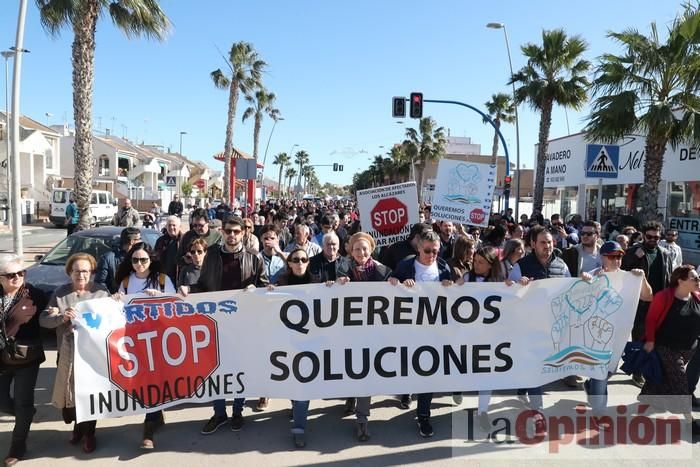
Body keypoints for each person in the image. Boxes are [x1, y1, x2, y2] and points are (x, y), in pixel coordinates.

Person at [179, 216, 268, 434]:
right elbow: (203, 286)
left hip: (244, 324)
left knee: (240, 369)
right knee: (215, 369)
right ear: (223, 231)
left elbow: (265, 287)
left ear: (243, 233)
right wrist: (189, 290)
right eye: (228, 231)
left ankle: (237, 411)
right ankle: (219, 413)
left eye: (237, 231)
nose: (232, 235)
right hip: (216, 323)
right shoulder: (212, 256)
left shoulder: (254, 258)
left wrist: (255, 289)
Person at [40, 253, 108, 455]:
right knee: (69, 398)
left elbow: (112, 320)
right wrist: (61, 318)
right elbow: (44, 320)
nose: (81, 275)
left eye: (85, 271)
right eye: (76, 271)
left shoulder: (101, 293)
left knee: (89, 396)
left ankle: (89, 433)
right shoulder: (60, 294)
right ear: (69, 272)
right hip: (67, 353)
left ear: (92, 273)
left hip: (91, 356)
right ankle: (77, 425)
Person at [389, 230, 453, 438]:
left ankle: (423, 416)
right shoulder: (406, 265)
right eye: (428, 251)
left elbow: (455, 296)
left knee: (429, 372)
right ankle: (406, 391)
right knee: (409, 366)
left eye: (436, 251)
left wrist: (450, 286)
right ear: (418, 248)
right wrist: (397, 283)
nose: (432, 255)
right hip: (409, 329)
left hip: (434, 331)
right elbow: (387, 288)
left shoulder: (444, 268)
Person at [508, 226, 571, 435]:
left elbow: (572, 290)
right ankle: (538, 413)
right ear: (533, 244)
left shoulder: (561, 266)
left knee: (540, 368)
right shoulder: (520, 266)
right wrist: (517, 286)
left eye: (551, 242)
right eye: (543, 242)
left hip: (553, 328)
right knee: (536, 369)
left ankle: (522, 390)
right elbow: (508, 294)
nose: (548, 246)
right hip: (529, 328)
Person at [584, 241, 652, 430]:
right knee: (600, 371)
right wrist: (585, 282)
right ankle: (598, 412)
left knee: (609, 370)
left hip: (620, 333)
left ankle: (591, 386)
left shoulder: (630, 277)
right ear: (603, 257)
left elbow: (648, 296)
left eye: (620, 256)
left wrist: (642, 279)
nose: (617, 260)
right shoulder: (594, 275)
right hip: (596, 333)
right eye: (612, 256)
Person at [113, 243, 175, 449]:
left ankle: (150, 424)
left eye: (144, 260)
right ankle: (156, 415)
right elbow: (117, 309)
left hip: (158, 337)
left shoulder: (162, 280)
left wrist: (160, 297)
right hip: (134, 338)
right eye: (135, 260)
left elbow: (175, 305)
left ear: (151, 260)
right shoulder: (126, 282)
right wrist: (115, 299)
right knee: (143, 379)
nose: (139, 264)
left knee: (153, 379)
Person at [0, 254, 48, 466]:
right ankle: (26, 414)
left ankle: (18, 446)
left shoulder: (35, 295)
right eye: (11, 275)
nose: (17, 278)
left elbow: (50, 315)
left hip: (26, 358)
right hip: (1, 358)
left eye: (21, 273)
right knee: (2, 401)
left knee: (22, 401)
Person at [641, 265, 700, 435]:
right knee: (680, 381)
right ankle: (690, 421)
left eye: (697, 278)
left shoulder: (697, 297)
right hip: (666, 346)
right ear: (681, 281)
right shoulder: (664, 297)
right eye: (694, 278)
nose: (698, 280)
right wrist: (650, 340)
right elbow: (651, 319)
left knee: (668, 376)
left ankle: (650, 394)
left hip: (689, 348)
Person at [345, 232, 392, 442]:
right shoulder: (342, 269)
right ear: (351, 251)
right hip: (347, 332)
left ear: (371, 249)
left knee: (365, 374)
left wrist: (398, 283)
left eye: (364, 249)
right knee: (349, 369)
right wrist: (333, 285)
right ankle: (350, 396)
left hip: (373, 334)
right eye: (357, 249)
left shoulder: (383, 271)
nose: (361, 253)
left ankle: (362, 419)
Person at [455, 246, 506, 430]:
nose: (476, 265)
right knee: (463, 369)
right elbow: (452, 295)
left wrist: (521, 285)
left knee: (487, 376)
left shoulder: (500, 281)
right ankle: (457, 388)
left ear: (491, 265)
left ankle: (482, 411)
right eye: (475, 261)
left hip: (489, 338)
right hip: (467, 335)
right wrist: (451, 287)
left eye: (481, 262)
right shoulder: (467, 278)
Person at [271, 248, 315, 448]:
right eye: (295, 260)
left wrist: (334, 287)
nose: (300, 263)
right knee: (292, 382)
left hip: (310, 342)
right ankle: (295, 407)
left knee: (303, 388)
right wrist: (268, 293)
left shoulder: (317, 282)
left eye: (303, 259)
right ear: (289, 263)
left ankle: (299, 428)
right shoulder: (280, 281)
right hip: (285, 341)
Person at [621, 221, 674, 386]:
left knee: (656, 338)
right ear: (643, 235)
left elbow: (670, 277)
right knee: (640, 339)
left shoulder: (665, 253)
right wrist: (632, 258)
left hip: (659, 302)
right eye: (649, 236)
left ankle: (648, 369)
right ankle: (637, 373)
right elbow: (622, 271)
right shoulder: (633, 252)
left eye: (657, 237)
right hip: (640, 303)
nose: (653, 239)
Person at [94, 227, 141, 293]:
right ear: (132, 241)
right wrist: (111, 297)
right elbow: (100, 284)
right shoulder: (108, 258)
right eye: (139, 239)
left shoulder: (141, 256)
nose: (141, 241)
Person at [154, 216, 182, 285]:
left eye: (174, 225)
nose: (171, 228)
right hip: (164, 278)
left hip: (181, 278)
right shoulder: (160, 241)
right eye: (169, 225)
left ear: (179, 226)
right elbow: (155, 259)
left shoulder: (185, 240)